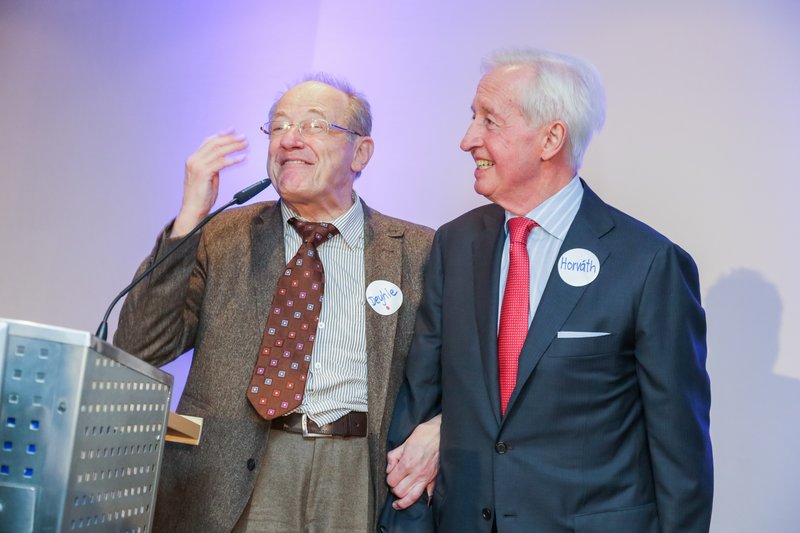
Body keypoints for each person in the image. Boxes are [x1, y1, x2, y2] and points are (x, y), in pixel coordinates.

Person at [380, 49, 713, 532]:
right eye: (472, 118)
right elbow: (420, 402)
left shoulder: (649, 264)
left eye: (489, 121)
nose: (467, 139)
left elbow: (679, 449)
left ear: (551, 139)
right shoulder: (455, 244)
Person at [114, 73, 433, 533]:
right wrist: (189, 220)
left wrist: (438, 430)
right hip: (233, 471)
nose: (290, 140)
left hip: (354, 472)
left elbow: (454, 375)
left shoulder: (417, 251)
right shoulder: (224, 235)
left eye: (314, 125)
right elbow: (140, 345)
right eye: (279, 126)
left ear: (361, 152)